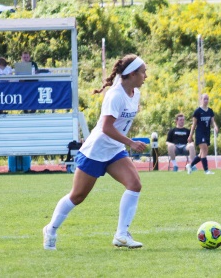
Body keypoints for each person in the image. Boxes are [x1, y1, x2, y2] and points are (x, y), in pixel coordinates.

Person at [42, 54, 148, 250]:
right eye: (143, 72)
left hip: (115, 150)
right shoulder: (115, 95)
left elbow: (122, 124)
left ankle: (121, 235)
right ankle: (50, 229)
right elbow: (107, 128)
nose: (145, 76)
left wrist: (125, 142)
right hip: (96, 151)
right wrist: (130, 143)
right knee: (77, 196)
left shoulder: (136, 93)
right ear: (132, 74)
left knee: (134, 185)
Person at [186, 93, 219, 175]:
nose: (206, 100)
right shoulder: (197, 111)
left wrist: (215, 127)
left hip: (207, 133)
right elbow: (193, 124)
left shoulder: (210, 111)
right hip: (200, 133)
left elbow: (212, 121)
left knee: (202, 153)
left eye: (207, 99)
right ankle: (206, 170)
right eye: (204, 99)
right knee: (204, 150)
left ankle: (190, 165)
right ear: (201, 100)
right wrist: (190, 135)